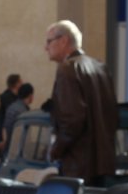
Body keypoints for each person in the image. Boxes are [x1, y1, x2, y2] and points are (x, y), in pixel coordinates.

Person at [43, 20, 117, 185]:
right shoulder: (100, 67)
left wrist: (55, 150)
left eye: (49, 41)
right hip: (103, 164)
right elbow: (112, 114)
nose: (45, 47)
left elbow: (72, 120)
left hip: (78, 165)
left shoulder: (67, 69)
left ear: (64, 40)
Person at [0, 82, 33, 154]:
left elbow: (5, 127)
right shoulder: (24, 112)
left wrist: (5, 142)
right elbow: (25, 134)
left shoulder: (11, 107)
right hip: (18, 149)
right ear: (30, 96)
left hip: (8, 148)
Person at [0, 73, 21, 151]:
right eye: (20, 82)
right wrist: (4, 139)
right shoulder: (7, 98)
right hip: (4, 138)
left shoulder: (14, 98)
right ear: (16, 84)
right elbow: (7, 120)